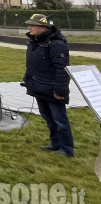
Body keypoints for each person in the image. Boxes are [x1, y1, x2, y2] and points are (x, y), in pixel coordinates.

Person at [23, 13, 74, 158]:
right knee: (48, 118)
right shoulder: (34, 42)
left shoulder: (57, 45)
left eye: (32, 25)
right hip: (39, 88)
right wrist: (27, 79)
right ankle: (55, 143)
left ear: (43, 27)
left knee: (60, 121)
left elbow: (62, 69)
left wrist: (60, 90)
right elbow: (31, 65)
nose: (29, 27)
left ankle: (66, 149)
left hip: (53, 90)